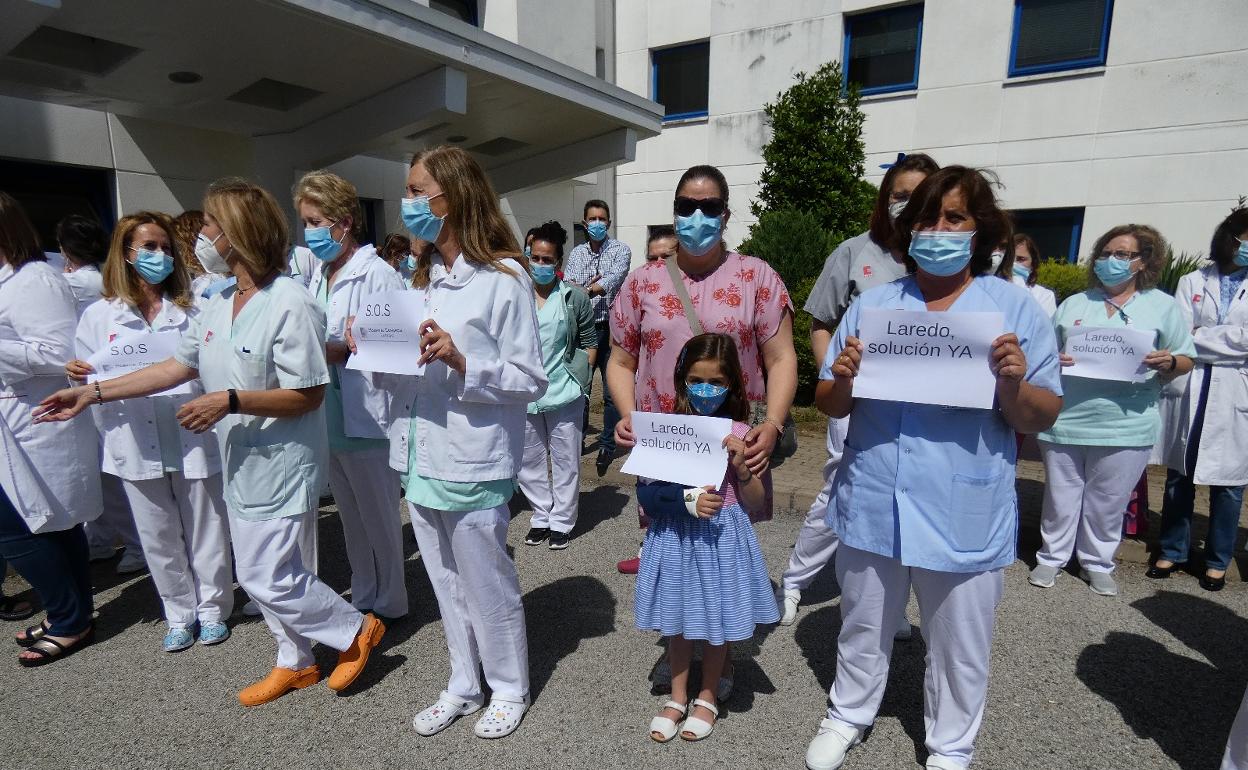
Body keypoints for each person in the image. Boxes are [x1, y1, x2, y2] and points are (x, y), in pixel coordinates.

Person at [36, 178, 385, 704]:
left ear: (237, 235)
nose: (199, 240)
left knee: (264, 575)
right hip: (240, 458)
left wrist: (230, 400)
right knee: (265, 570)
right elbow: (177, 366)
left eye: (208, 228)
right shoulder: (221, 302)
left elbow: (308, 395)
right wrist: (95, 393)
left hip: (282, 459)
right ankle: (295, 661)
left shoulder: (290, 302)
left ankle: (353, 629)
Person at [803, 166, 1062, 770]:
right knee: (863, 621)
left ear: (981, 230)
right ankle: (849, 713)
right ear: (906, 228)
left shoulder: (1011, 309)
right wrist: (842, 376)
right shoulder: (874, 307)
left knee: (959, 641)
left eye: (954, 218)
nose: (937, 230)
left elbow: (1041, 415)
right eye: (925, 218)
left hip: (962, 500)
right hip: (876, 493)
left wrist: (1013, 382)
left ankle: (950, 745)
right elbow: (829, 402)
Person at [381, 146, 546, 740]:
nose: (407, 203)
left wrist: (460, 359)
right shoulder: (422, 280)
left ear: (451, 197)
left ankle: (508, 686)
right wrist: (373, 347)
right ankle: (462, 682)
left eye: (416, 190)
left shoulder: (504, 279)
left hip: (474, 457)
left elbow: (529, 380)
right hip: (423, 453)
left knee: (486, 580)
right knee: (445, 582)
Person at [777, 152, 939, 626]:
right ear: (884, 199)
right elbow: (821, 323)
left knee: (907, 495)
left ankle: (892, 604)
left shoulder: (948, 266)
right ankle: (795, 581)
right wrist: (836, 374)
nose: (907, 205)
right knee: (840, 488)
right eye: (899, 195)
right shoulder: (854, 252)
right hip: (856, 400)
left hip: (923, 409)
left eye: (919, 196)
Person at [66, 211, 235, 651]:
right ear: (125, 253)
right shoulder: (99, 317)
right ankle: (179, 613)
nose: (160, 255)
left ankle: (215, 608)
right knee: (157, 533)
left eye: (165, 247)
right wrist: (77, 374)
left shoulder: (195, 303)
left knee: (207, 525)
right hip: (134, 437)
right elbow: (87, 382)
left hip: (192, 428)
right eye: (149, 247)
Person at [1028, 225, 1195, 596]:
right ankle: (1051, 557)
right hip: (1067, 418)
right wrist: (1054, 359)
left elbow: (1187, 359)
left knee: (1108, 500)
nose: (1109, 261)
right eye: (1105, 253)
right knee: (1060, 495)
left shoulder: (1162, 306)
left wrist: (1168, 361)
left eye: (1121, 254)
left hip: (1126, 423)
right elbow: (1042, 356)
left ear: (1142, 262)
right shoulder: (1074, 304)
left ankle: (1097, 562)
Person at [637, 334, 777, 743]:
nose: (705, 390)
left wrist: (743, 468)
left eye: (716, 382)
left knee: (717, 620)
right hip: (677, 536)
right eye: (696, 380)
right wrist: (684, 498)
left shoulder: (741, 432)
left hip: (721, 538)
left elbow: (754, 501)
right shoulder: (666, 428)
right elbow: (646, 491)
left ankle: (708, 695)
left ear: (733, 383)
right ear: (682, 380)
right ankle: (677, 696)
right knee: (677, 622)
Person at [295, 170, 408, 621]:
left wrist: (345, 349)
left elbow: (398, 350)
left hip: (368, 414)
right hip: (330, 416)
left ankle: (392, 600)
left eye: (317, 221)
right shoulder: (319, 273)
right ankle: (363, 595)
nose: (310, 232)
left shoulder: (378, 274)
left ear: (344, 221)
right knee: (350, 518)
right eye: (304, 222)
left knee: (380, 518)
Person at [0, 192, 102, 666]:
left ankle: (69, 618)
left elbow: (62, 354)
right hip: (18, 419)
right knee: (54, 524)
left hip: (36, 416)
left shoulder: (33, 280)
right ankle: (74, 612)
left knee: (21, 526)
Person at [1150, 207, 1248, 591]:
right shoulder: (1192, 280)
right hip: (1190, 385)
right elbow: (1177, 335)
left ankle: (1218, 559)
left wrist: (1202, 336)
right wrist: (1228, 339)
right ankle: (1173, 549)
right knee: (1179, 475)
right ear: (1231, 237)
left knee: (1230, 483)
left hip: (1233, 389)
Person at [58, 214, 147, 573]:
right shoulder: (94, 285)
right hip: (92, 383)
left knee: (109, 472)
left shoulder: (76, 283)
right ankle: (102, 538)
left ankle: (134, 544)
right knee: (102, 470)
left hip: (102, 386)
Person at [518, 220, 596, 551]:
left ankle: (562, 520)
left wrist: (582, 377)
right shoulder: (515, 294)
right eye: (535, 258)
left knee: (565, 460)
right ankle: (541, 516)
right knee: (527, 459)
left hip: (565, 391)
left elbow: (590, 341)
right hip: (524, 393)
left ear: (558, 264)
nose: (540, 265)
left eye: (547, 260)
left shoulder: (573, 297)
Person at [564, 199, 631, 476]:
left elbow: (615, 278)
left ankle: (607, 445)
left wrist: (590, 288)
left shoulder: (620, 250)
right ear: (584, 222)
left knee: (613, 393)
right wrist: (588, 287)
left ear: (609, 223)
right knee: (582, 387)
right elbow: (569, 286)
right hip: (583, 329)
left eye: (602, 218)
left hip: (611, 329)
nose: (597, 223)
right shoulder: (576, 254)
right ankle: (576, 440)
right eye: (592, 219)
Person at [1011, 233, 1058, 317]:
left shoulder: (1044, 296)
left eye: (1021, 259)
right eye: (1009, 259)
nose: (1014, 264)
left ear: (1033, 263)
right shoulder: (993, 290)